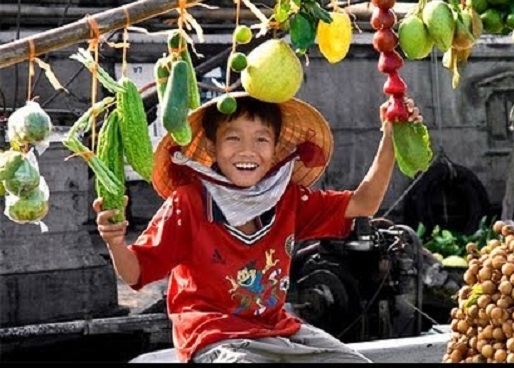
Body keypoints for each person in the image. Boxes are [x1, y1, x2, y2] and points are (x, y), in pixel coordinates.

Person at [94, 91, 422, 363]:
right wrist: (114, 240)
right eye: (233, 138)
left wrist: (390, 137)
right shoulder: (189, 202)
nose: (247, 150)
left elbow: (364, 203)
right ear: (212, 148)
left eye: (261, 139)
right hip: (212, 337)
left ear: (276, 147)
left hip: (277, 329)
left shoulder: (286, 198)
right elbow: (136, 273)